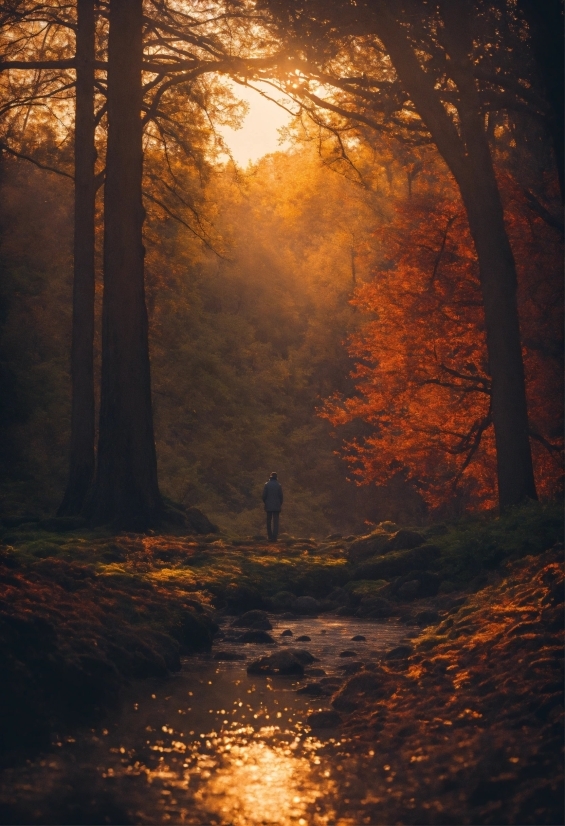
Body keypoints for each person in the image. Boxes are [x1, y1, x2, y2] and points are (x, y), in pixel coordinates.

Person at [262, 471, 283, 541]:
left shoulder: (266, 484)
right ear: (276, 477)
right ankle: (275, 536)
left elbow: (264, 496)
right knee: (276, 521)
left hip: (268, 505)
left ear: (270, 476)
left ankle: (269, 536)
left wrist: (265, 502)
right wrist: (280, 503)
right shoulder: (278, 485)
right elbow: (281, 496)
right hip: (277, 505)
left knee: (268, 520)